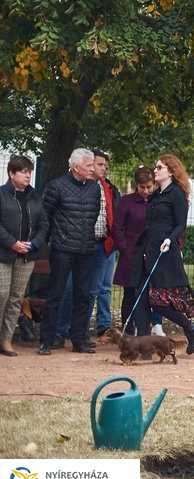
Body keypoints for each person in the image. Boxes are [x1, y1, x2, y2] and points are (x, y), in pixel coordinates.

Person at [130, 154, 194, 355]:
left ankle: (191, 328)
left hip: (165, 252)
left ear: (171, 171)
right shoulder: (156, 195)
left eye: (159, 168)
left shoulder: (177, 194)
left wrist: (170, 239)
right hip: (148, 249)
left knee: (158, 299)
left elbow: (180, 225)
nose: (155, 170)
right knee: (141, 295)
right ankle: (145, 347)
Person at [38, 148, 101, 355]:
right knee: (56, 294)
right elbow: (44, 217)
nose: (92, 169)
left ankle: (79, 339)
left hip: (87, 249)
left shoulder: (94, 188)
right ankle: (47, 340)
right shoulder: (56, 186)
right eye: (89, 165)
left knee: (83, 296)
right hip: (63, 249)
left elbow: (93, 216)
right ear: (76, 167)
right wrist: (53, 240)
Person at [0, 156, 48, 357]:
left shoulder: (35, 196)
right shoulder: (1, 194)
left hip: (27, 256)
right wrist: (12, 242)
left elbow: (44, 224)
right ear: (12, 173)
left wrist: (34, 243)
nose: (28, 175)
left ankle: (6, 340)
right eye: (23, 171)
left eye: (30, 171)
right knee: (1, 295)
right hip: (4, 253)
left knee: (16, 298)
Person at [111, 167, 154, 332]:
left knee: (149, 295)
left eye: (149, 187)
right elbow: (117, 228)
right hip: (132, 254)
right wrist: (125, 248)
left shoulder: (157, 201)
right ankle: (127, 332)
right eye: (142, 187)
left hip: (151, 254)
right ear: (137, 185)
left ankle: (147, 331)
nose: (145, 191)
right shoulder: (126, 201)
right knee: (130, 295)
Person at [85, 150, 120, 336]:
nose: (104, 168)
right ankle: (82, 327)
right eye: (100, 165)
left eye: (106, 166)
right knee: (92, 288)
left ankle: (104, 327)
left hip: (108, 243)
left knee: (106, 288)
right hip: (89, 244)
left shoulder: (110, 188)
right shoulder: (84, 186)